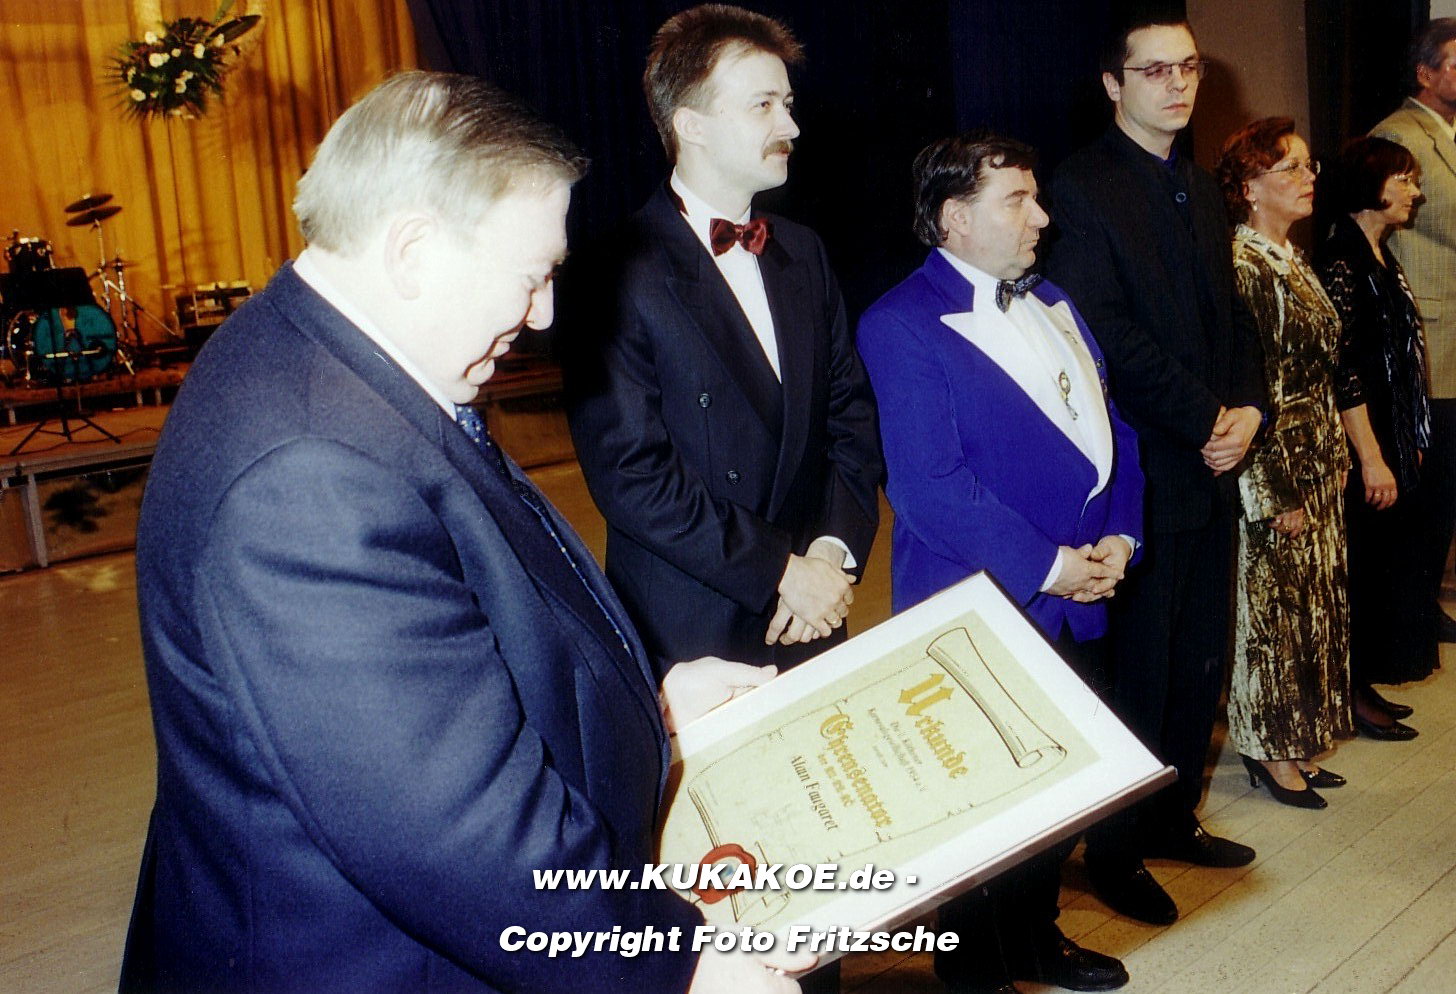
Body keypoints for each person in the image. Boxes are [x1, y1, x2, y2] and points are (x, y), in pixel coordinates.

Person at [118, 72, 812, 994]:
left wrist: (649, 703)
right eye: (532, 277)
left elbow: (469, 639)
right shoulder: (310, 478)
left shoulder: (335, 360)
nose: (545, 315)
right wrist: (682, 966)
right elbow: (464, 836)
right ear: (413, 250)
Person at [858, 132, 1140, 994]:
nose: (1041, 217)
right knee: (984, 811)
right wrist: (1052, 566)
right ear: (954, 218)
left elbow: (1113, 431)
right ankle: (974, 968)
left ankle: (1036, 938)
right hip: (981, 605)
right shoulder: (900, 322)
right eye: (1017, 200)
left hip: (1083, 593)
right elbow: (929, 487)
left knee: (1061, 791)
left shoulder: (1054, 298)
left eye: (1035, 196)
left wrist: (1122, 537)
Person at [564, 4, 882, 677]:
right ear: (692, 125)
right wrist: (780, 571)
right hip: (692, 632)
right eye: (763, 105)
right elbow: (632, 476)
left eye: (788, 104)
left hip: (813, 612)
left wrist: (830, 554)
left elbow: (850, 421)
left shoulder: (804, 252)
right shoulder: (613, 270)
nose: (790, 126)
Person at [1044, 14, 1264, 925]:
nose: (1178, 85)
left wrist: (1247, 407)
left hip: (1212, 462)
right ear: (1113, 84)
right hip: (1141, 472)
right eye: (1154, 71)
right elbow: (1106, 336)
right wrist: (1208, 417)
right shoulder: (1080, 188)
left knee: (1195, 664)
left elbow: (1234, 314)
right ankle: (1116, 850)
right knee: (1137, 673)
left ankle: (1174, 819)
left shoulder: (1199, 185)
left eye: (1189, 68)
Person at [1214, 117, 1353, 809]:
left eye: (1308, 165)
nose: (1307, 178)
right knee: (1271, 614)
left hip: (1316, 457)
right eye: (1289, 168)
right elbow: (1250, 387)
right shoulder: (1245, 265)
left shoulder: (1288, 257)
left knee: (1308, 611)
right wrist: (1274, 492)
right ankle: (1267, 746)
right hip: (1276, 466)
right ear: (1248, 187)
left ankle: (1294, 738)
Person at [1317, 136, 1434, 738]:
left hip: (1387, 430)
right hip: (1361, 439)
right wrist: (1370, 456)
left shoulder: (1377, 252)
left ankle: (1362, 681)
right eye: (1403, 179)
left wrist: (1407, 437)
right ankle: (1351, 692)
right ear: (1370, 185)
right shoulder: (1340, 258)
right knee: (1359, 570)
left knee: (1380, 566)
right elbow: (1341, 369)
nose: (1414, 191)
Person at [1371, 18, 1456, 645]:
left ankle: (1425, 605)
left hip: (1450, 339)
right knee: (1428, 485)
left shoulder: (1447, 135)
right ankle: (1411, 613)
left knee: (1446, 483)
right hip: (1429, 338)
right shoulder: (1400, 135)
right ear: (1425, 73)